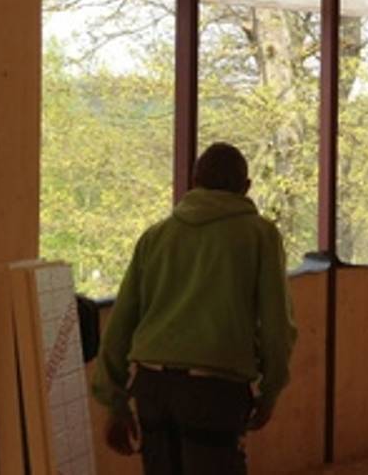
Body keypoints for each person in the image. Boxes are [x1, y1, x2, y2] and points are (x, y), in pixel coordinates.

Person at [91, 142, 296, 475]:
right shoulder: (259, 236)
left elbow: (122, 322)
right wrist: (270, 391)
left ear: (193, 182)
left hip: (151, 387)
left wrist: (114, 402)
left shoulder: (155, 237)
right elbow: (277, 325)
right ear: (246, 188)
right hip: (215, 391)